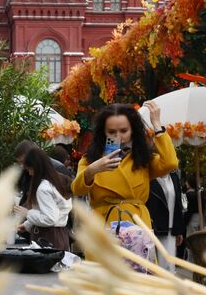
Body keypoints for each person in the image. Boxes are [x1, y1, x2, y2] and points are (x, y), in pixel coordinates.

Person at [72, 101, 178, 263]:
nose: (118, 136)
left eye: (124, 131)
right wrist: (93, 170)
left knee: (137, 278)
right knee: (104, 281)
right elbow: (77, 190)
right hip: (103, 225)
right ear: (103, 133)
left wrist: (157, 125)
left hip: (135, 226)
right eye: (111, 132)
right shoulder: (90, 160)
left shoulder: (142, 159)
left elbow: (170, 163)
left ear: (133, 131)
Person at [13, 141, 73, 251]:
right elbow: (50, 211)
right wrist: (28, 225)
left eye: (29, 169)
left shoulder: (43, 187)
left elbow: (49, 218)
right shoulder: (59, 180)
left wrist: (27, 213)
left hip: (47, 237)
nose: (29, 173)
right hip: (60, 235)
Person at [145, 162, 187, 269]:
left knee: (168, 266)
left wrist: (179, 231)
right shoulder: (149, 177)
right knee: (152, 266)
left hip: (171, 230)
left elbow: (178, 205)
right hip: (153, 228)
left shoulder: (174, 178)